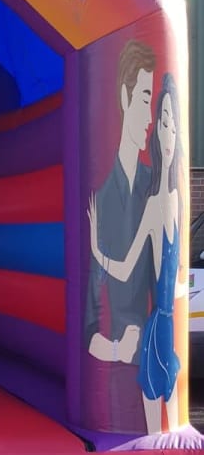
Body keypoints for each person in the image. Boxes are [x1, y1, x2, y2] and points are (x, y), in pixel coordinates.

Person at [88, 73, 185, 433]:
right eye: (163, 123)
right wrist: (97, 250)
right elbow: (127, 267)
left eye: (173, 125)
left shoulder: (174, 199)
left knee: (169, 422)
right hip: (156, 329)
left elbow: (174, 281)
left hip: (166, 326)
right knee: (157, 424)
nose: (167, 133)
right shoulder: (154, 204)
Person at [85, 40, 156, 372]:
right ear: (126, 99)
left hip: (152, 357)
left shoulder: (152, 184)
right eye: (144, 100)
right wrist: (117, 350)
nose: (150, 118)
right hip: (117, 366)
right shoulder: (100, 199)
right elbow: (89, 324)